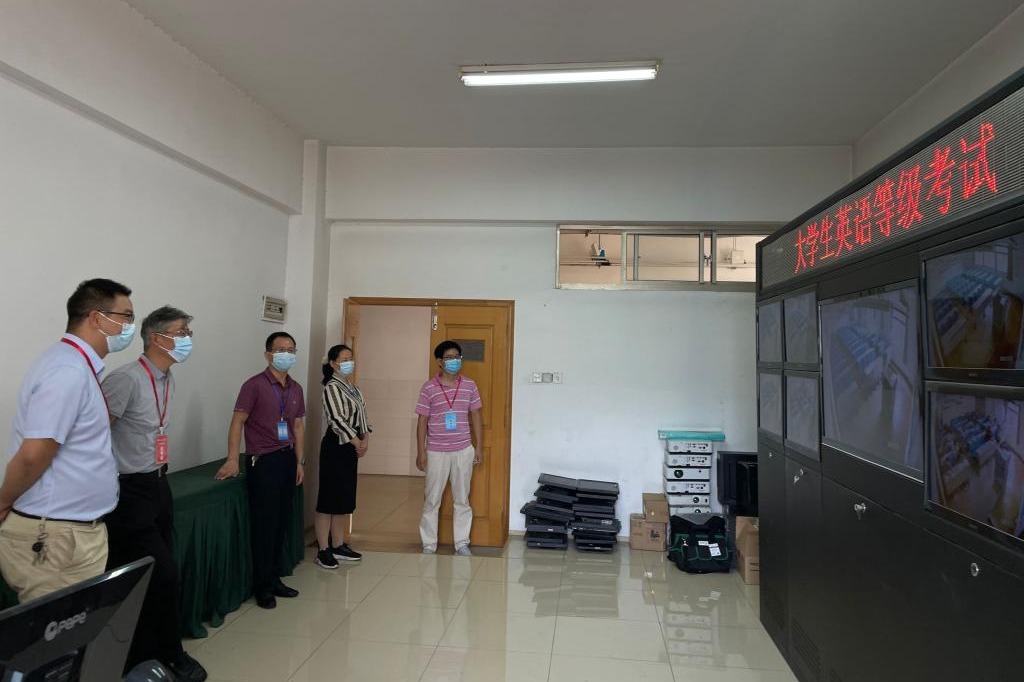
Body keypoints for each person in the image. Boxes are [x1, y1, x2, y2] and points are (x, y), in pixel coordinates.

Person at [0, 278, 134, 602]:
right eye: (126, 316)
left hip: (71, 532)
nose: (131, 326)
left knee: (75, 625)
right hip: (54, 534)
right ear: (96, 318)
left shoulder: (79, 367)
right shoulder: (67, 370)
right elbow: (35, 453)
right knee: (54, 628)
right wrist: (3, 501)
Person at [101, 306, 207, 682]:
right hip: (126, 491)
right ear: (158, 338)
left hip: (158, 484)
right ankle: (168, 654)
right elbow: (93, 433)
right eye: (181, 332)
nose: (188, 339)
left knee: (154, 573)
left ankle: (145, 652)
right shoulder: (126, 379)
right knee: (161, 574)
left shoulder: (166, 380)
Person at [215, 332, 305, 609]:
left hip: (287, 459)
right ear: (268, 354)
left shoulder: (295, 388)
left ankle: (274, 578)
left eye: (291, 350)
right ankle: (262, 586)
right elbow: (237, 422)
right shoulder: (254, 385)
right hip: (262, 461)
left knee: (281, 523)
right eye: (281, 350)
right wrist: (233, 458)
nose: (286, 354)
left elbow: (297, 426)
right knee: (264, 526)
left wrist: (300, 461)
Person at [415, 340, 483, 556]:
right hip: (436, 451)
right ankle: (429, 544)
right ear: (439, 362)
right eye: (449, 357)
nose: (454, 361)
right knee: (432, 499)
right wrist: (421, 451)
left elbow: (476, 415)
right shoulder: (428, 388)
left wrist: (479, 447)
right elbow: (422, 421)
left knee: (462, 499)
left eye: (457, 357)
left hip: (463, 449)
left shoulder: (470, 385)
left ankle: (462, 543)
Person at [313, 344, 372, 569]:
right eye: (344, 359)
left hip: (351, 446)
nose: (349, 363)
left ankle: (338, 545)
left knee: (343, 497)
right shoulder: (331, 387)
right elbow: (336, 419)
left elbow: (363, 416)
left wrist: (365, 438)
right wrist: (356, 441)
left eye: (351, 358)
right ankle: (323, 549)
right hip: (336, 446)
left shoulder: (353, 387)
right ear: (333, 363)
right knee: (329, 498)